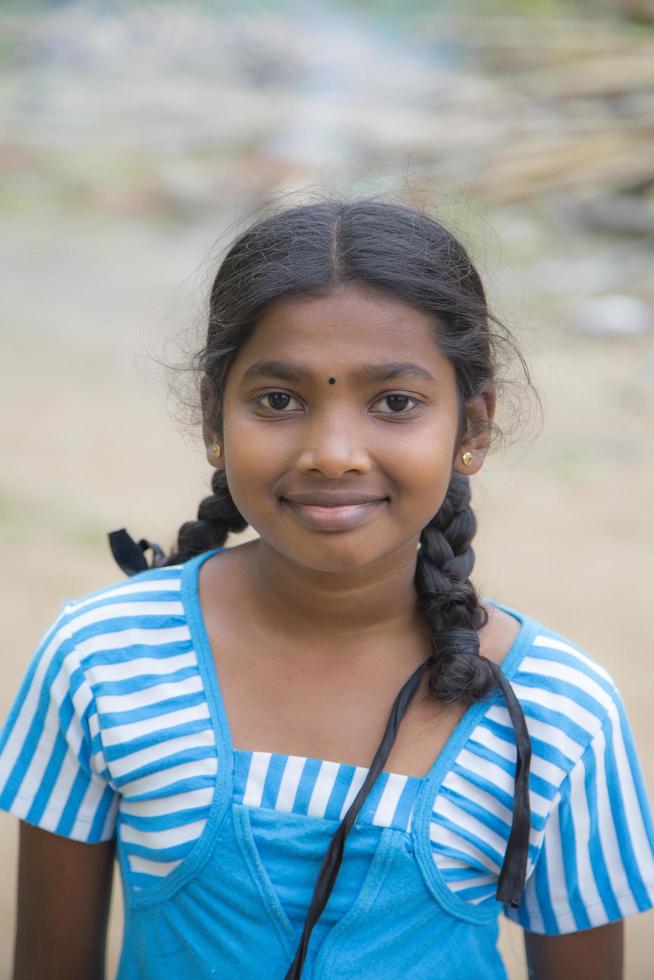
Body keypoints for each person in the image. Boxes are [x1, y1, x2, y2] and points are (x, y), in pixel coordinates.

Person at [1, 199, 653, 980]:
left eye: (395, 403)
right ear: (214, 417)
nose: (333, 453)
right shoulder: (103, 661)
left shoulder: (556, 712)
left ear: (472, 428)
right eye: (279, 400)